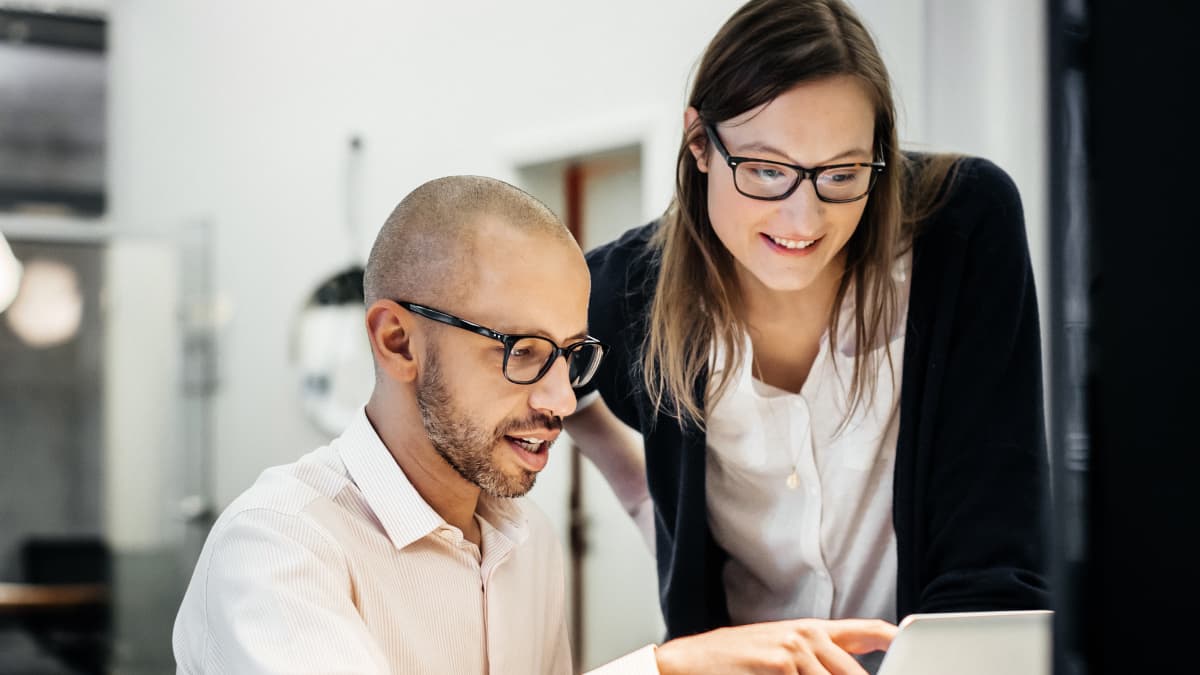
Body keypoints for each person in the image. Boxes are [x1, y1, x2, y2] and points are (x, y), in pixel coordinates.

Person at [171, 175, 894, 675]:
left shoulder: (528, 543)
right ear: (397, 342)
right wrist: (666, 665)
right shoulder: (277, 544)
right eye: (521, 351)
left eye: (572, 356)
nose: (559, 399)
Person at [567, 0, 1051, 670]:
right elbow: (501, 359)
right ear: (699, 143)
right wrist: (630, 479)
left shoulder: (962, 231)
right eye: (766, 169)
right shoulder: (626, 292)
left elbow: (996, 559)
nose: (804, 216)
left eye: (842, 173)